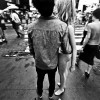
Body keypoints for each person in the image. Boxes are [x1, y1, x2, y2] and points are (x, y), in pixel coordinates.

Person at [27, 0, 76, 99]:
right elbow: (66, 49)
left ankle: (40, 95)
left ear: (38, 9)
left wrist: (37, 56)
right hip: (52, 63)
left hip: (39, 62)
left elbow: (31, 49)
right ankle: (50, 95)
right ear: (53, 7)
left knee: (39, 79)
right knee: (52, 80)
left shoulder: (31, 26)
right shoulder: (62, 26)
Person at [54, 0, 77, 96]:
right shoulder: (62, 25)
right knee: (63, 71)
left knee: (61, 72)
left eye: (56, 7)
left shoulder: (69, 27)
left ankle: (62, 88)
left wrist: (73, 65)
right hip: (63, 53)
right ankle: (63, 83)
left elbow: (74, 48)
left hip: (64, 54)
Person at [77, 8, 100, 79]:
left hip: (89, 44)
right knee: (91, 58)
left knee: (81, 54)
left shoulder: (90, 25)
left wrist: (83, 46)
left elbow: (87, 37)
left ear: (94, 15)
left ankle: (77, 63)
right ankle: (88, 71)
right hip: (96, 45)